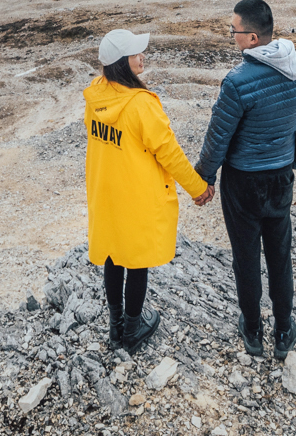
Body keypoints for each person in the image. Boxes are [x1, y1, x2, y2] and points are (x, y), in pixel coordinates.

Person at [194, 0, 296, 361]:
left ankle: (252, 330)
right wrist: (288, 163)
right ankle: (283, 331)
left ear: (251, 38)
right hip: (280, 179)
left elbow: (218, 139)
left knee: (246, 257)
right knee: (280, 256)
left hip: (243, 184)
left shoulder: (236, 82)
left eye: (233, 30)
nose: (231, 35)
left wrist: (204, 178)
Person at [84, 27, 211, 351]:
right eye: (135, 53)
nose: (143, 56)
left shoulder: (95, 95)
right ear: (122, 63)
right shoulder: (141, 105)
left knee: (114, 255)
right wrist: (198, 188)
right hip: (136, 195)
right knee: (137, 261)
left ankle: (115, 327)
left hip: (107, 194)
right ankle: (132, 328)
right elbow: (169, 151)